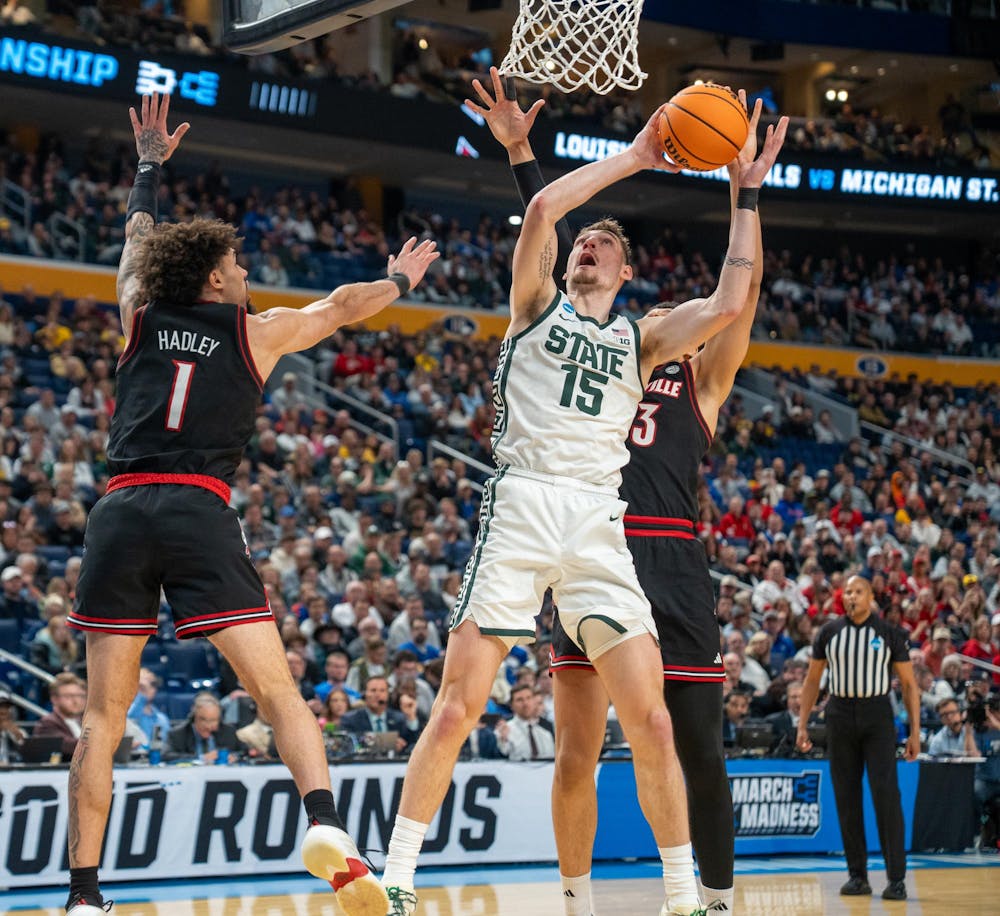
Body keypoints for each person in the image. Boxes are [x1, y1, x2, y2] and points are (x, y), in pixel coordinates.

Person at [380, 70, 786, 916]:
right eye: (582, 242)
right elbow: (538, 213)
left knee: (654, 724)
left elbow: (732, 298)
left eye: (603, 243)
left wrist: (745, 196)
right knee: (459, 705)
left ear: (628, 269)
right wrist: (636, 154)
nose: (586, 245)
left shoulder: (643, 340)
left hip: (604, 523)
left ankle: (684, 897)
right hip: (526, 502)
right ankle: (397, 880)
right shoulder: (536, 307)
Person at [62, 93, 438, 916]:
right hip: (198, 508)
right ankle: (326, 825)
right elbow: (343, 307)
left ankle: (85, 897)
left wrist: (149, 170)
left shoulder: (137, 313)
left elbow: (131, 248)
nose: (244, 270)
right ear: (212, 277)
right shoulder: (255, 332)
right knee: (277, 694)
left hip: (122, 509)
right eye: (234, 265)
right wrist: (401, 278)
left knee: (101, 717)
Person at [797, 576, 920, 901]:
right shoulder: (829, 632)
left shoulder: (890, 633)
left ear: (870, 597)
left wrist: (915, 733)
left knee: (886, 797)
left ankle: (896, 879)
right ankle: (857, 876)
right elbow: (812, 680)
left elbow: (908, 685)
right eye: (848, 592)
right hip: (839, 715)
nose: (852, 596)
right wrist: (802, 724)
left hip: (877, 716)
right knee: (846, 798)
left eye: (858, 591)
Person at [164, 692, 245, 761]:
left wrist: (234, 757)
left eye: (214, 720)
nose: (209, 726)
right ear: (195, 717)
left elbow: (245, 752)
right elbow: (166, 756)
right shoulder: (178, 734)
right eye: (204, 720)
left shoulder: (229, 731)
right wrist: (200, 758)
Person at [495, 683, 556, 761]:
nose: (525, 703)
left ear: (534, 702)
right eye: (519, 700)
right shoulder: (503, 730)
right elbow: (498, 761)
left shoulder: (546, 732)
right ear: (511, 705)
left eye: (529, 698)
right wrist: (503, 740)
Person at [34, 672, 87, 759]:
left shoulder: (86, 721)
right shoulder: (46, 724)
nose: (76, 701)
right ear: (54, 699)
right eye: (68, 696)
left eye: (80, 696)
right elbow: (69, 746)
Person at [126, 667, 170, 747]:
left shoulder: (162, 719)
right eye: (140, 686)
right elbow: (129, 718)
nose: (148, 687)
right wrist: (142, 695)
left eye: (153, 684)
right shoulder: (125, 716)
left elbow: (165, 750)